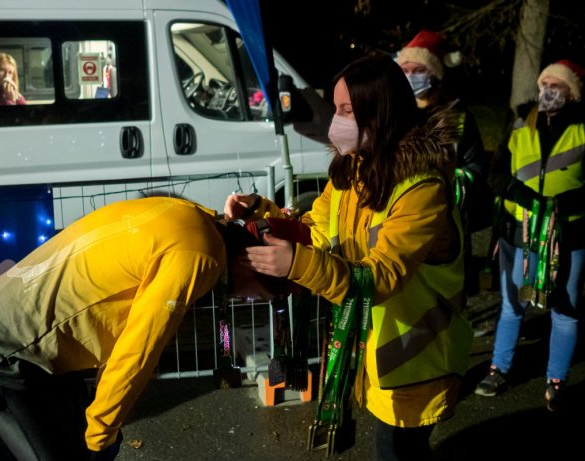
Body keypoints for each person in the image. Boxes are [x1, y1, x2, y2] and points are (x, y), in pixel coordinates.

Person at [224, 54, 473, 460]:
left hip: (417, 359)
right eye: (336, 108)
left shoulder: (421, 188)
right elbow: (316, 229)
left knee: (398, 451)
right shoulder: (354, 170)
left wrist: (297, 264)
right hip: (375, 354)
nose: (334, 121)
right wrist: (260, 213)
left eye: (345, 111)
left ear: (381, 113)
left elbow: (381, 277)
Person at [0, 196, 306, 461]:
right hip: (2, 352)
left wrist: (259, 207)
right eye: (262, 293)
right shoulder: (200, 258)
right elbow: (138, 351)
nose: (249, 299)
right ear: (254, 264)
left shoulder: (196, 218)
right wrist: (101, 435)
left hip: (2, 324)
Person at [474, 59, 585, 411]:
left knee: (565, 309)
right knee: (514, 303)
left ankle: (556, 377)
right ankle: (499, 368)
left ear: (573, 92)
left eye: (558, 86)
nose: (548, 91)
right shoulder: (521, 123)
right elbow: (496, 174)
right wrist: (520, 196)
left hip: (569, 236)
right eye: (544, 84)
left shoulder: (583, 129)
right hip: (521, 235)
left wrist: (560, 203)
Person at [396, 29, 489, 294]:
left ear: (434, 74)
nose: (410, 76)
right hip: (402, 223)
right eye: (405, 69)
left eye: (417, 70)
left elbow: (476, 167)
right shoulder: (395, 115)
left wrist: (449, 186)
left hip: (448, 222)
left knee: (447, 296)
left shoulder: (458, 118)